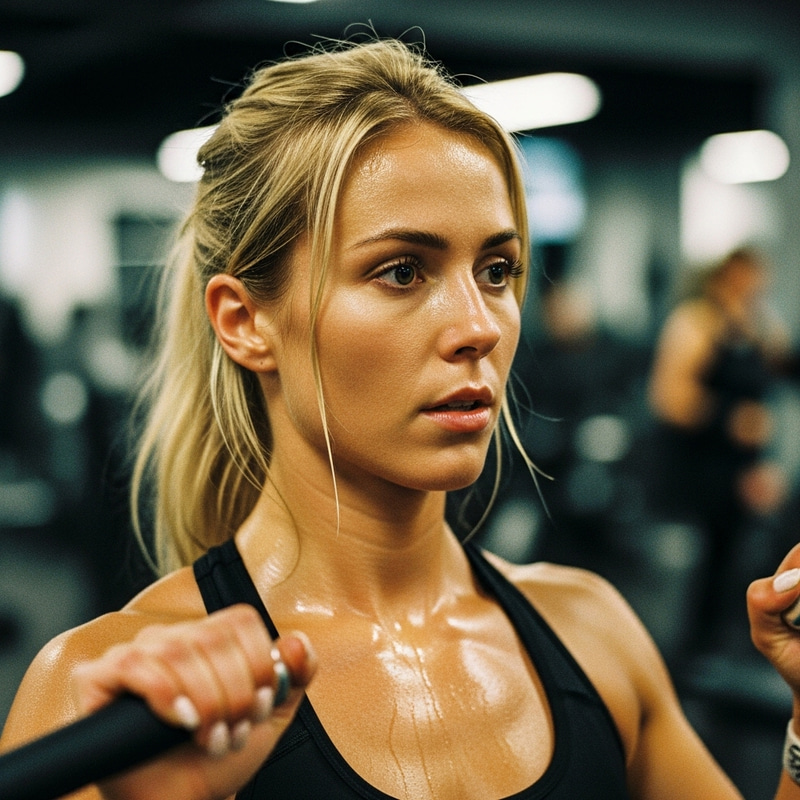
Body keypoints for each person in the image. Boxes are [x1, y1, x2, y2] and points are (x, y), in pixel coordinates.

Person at [2, 37, 800, 800]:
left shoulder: (592, 633)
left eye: (496, 270)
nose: (481, 325)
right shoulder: (102, 693)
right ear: (246, 321)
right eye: (402, 271)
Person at [648, 246, 792, 653]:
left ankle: (720, 653)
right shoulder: (695, 321)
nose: (757, 283)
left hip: (741, 472)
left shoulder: (760, 325)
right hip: (697, 467)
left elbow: (774, 384)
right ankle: (684, 661)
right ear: (726, 275)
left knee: (736, 567)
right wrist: (728, 420)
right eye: (748, 274)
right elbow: (668, 398)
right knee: (698, 573)